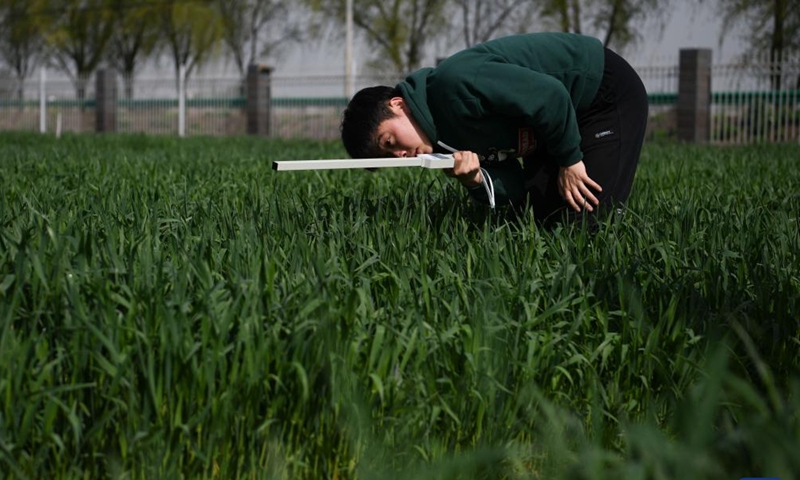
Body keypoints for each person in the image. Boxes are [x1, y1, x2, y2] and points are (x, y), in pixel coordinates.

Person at [340, 32, 649, 225]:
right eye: (392, 157)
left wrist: (569, 160)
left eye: (390, 141)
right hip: (548, 131)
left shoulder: (454, 84)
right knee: (537, 222)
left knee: (589, 224)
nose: (402, 155)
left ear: (398, 104)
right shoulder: (442, 141)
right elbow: (513, 187)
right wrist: (476, 180)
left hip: (599, 95)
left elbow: (550, 95)